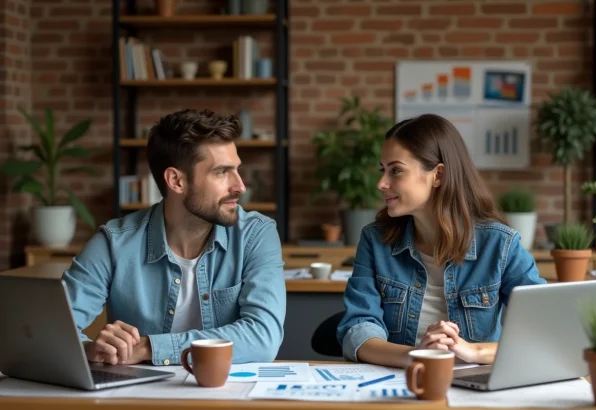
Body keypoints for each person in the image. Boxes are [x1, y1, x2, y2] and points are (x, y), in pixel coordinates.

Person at [62, 109, 286, 366]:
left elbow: (263, 337)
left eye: (237, 169)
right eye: (222, 172)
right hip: (137, 397)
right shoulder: (114, 243)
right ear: (176, 181)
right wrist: (89, 350)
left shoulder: (256, 234)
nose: (240, 186)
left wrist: (149, 348)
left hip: (228, 396)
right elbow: (54, 331)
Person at [336, 114, 546, 368]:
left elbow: (542, 332)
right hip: (401, 382)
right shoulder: (375, 240)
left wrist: (473, 351)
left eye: (396, 170)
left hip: (477, 389)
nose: (382, 183)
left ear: (438, 175)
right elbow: (358, 330)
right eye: (384, 170)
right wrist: (416, 355)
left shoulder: (500, 244)